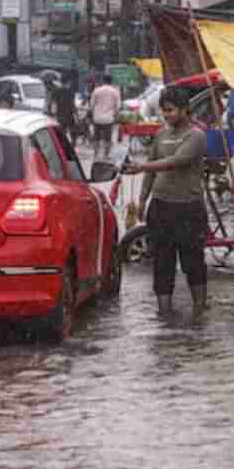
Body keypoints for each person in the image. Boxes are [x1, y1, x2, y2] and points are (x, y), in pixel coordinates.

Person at [123, 86, 208, 317]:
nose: (166, 115)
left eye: (170, 110)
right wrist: (142, 199)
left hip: (189, 208)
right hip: (161, 207)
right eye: (163, 110)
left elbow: (177, 161)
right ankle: (165, 315)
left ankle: (199, 311)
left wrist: (140, 167)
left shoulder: (196, 136)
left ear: (185, 110)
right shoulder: (161, 135)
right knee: (162, 263)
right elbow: (152, 170)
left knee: (193, 262)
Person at [89, 74, 122, 159]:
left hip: (97, 118)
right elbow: (118, 107)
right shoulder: (115, 91)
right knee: (108, 138)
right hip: (108, 119)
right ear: (111, 81)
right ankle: (106, 155)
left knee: (97, 138)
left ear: (103, 81)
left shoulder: (97, 90)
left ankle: (95, 154)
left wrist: (93, 114)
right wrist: (115, 115)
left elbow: (92, 104)